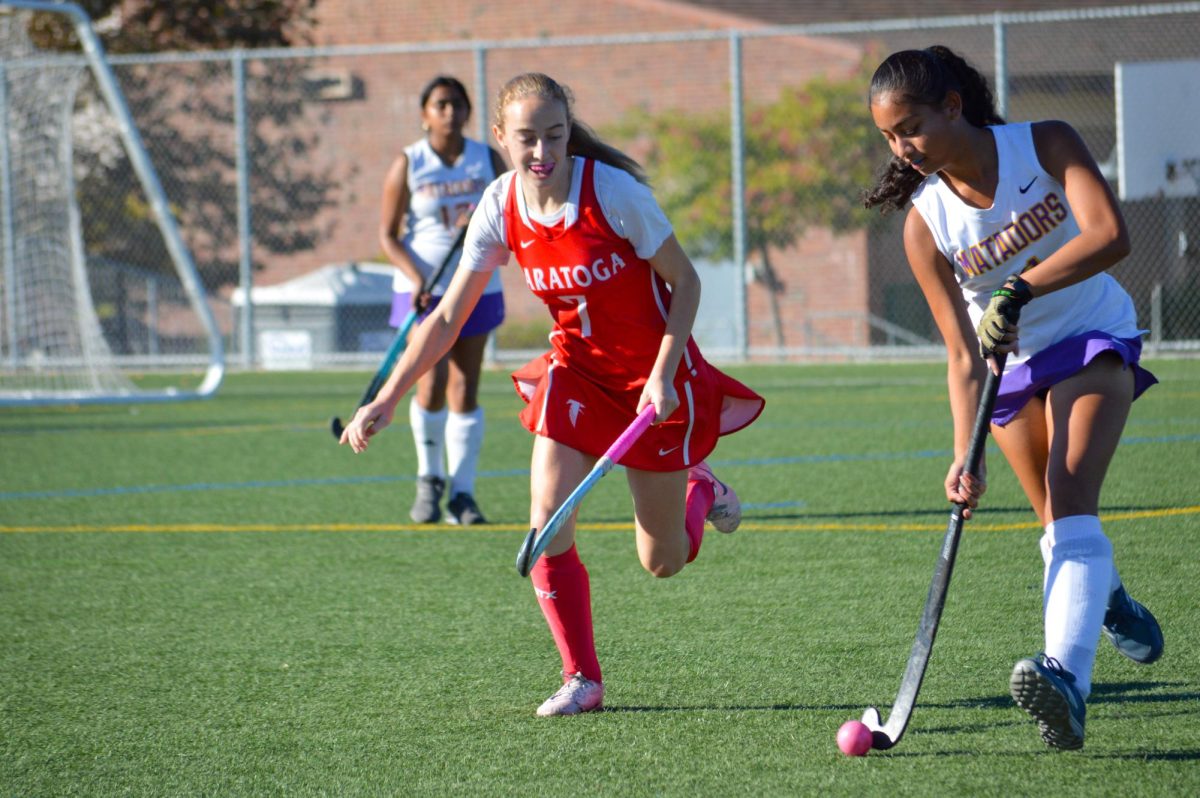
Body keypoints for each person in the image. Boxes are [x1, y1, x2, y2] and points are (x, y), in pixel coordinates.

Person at [343, 72, 764, 716]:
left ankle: (701, 488)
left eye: (554, 137)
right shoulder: (499, 203)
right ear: (500, 139)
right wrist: (390, 396)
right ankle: (581, 679)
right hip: (576, 374)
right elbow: (448, 316)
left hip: (655, 380)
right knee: (548, 519)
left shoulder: (613, 194)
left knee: (662, 562)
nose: (541, 154)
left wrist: (663, 371)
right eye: (526, 140)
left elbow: (687, 283)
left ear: (570, 132)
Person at [865, 46, 1164, 751]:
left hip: (1091, 334)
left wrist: (1021, 287)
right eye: (886, 137)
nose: (901, 148)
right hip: (1012, 371)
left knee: (1068, 495)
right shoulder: (925, 224)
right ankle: (1110, 599)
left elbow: (1110, 235)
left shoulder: (1045, 143)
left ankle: (1067, 678)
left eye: (910, 128)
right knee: (1060, 529)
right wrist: (962, 455)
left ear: (952, 107)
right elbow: (962, 355)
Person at [379, 76, 508, 526]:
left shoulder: (485, 159)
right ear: (425, 113)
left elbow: (510, 212)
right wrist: (415, 277)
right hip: (424, 292)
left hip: (478, 285)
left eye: (457, 104)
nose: (449, 112)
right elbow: (388, 236)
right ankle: (429, 480)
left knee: (464, 388)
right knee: (428, 387)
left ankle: (463, 494)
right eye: (440, 104)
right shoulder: (409, 163)